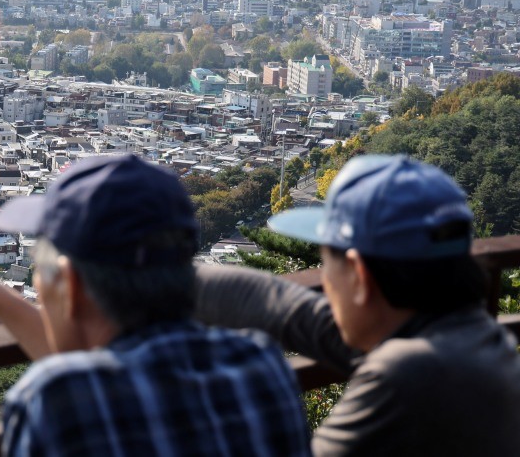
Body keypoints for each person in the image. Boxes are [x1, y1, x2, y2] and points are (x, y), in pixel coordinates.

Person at [0, 154, 311, 456]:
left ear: (70, 284)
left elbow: (85, 380)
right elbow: (108, 372)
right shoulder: (259, 364)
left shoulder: (52, 400)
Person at [195, 154, 520, 455]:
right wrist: (172, 283)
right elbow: (290, 311)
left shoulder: (406, 376)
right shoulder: (476, 339)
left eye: (327, 267)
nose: (327, 286)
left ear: (359, 275)